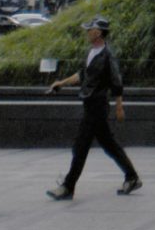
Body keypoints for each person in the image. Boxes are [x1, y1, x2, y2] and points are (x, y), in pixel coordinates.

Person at [46, 15, 141, 200]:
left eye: (90, 29)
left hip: (97, 106)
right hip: (90, 104)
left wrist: (119, 106)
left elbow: (116, 82)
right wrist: (61, 83)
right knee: (110, 145)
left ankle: (68, 186)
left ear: (98, 33)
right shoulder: (92, 53)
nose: (87, 32)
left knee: (81, 146)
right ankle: (132, 177)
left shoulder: (107, 56)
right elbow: (82, 75)